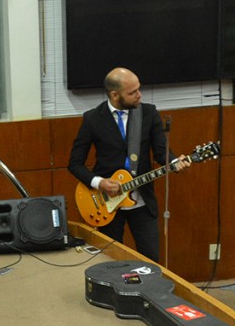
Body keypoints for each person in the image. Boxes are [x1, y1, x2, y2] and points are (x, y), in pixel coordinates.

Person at [68, 67, 190, 262]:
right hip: (106, 201)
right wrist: (99, 183)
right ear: (115, 95)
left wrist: (175, 162)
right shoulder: (92, 119)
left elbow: (161, 152)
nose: (139, 95)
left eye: (139, 89)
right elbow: (74, 164)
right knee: (111, 260)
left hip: (142, 200)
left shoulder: (148, 113)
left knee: (150, 259)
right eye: (132, 92)